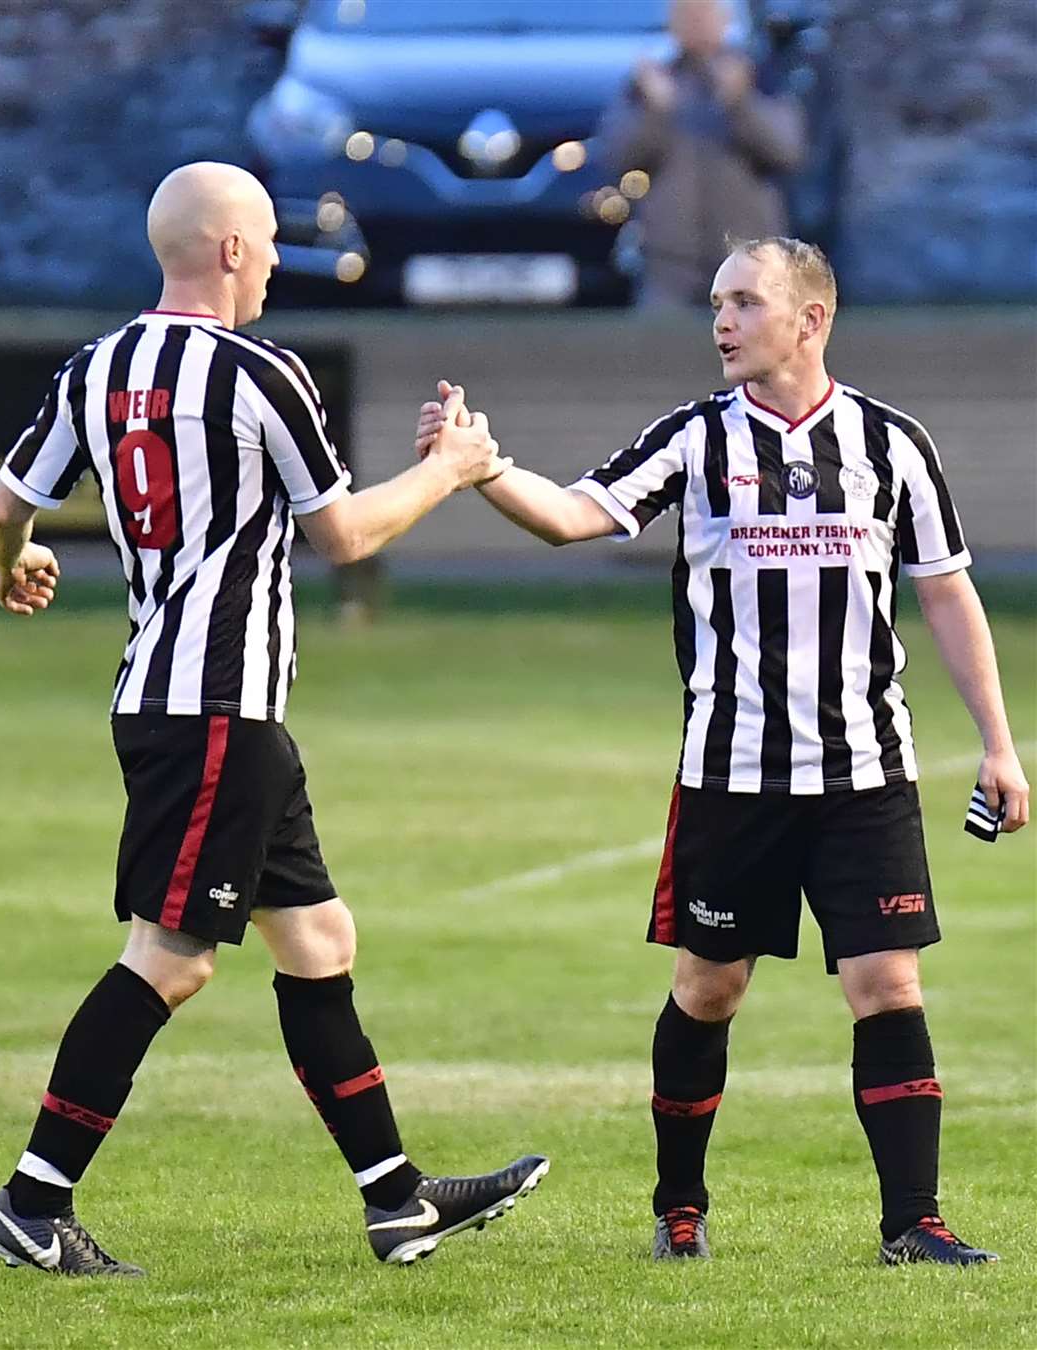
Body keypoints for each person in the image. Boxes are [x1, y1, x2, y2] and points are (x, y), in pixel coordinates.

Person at [0, 161, 547, 1277]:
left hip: (191, 705)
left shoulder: (97, 368)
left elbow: (5, 503)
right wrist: (451, 467)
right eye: (273, 239)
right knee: (172, 958)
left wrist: (16, 565)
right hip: (215, 712)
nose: (281, 257)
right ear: (232, 249)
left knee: (320, 940)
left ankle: (396, 1199)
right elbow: (342, 539)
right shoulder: (260, 372)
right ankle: (32, 1203)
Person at [415, 235, 1030, 1266]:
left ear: (811, 318)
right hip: (731, 777)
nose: (723, 321)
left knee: (888, 985)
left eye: (745, 301)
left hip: (864, 775)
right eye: (715, 303)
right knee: (711, 990)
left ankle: (912, 1223)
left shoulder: (893, 445)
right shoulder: (695, 439)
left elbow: (946, 590)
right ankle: (680, 1208)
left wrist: (1000, 748)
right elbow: (574, 517)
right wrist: (481, 470)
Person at [597, 0, 805, 306]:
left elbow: (787, 151)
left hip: (749, 264)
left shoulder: (760, 77)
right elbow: (617, 156)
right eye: (685, 15)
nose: (695, 23)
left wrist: (741, 104)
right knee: (659, 348)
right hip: (669, 266)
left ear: (725, 19)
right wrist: (657, 113)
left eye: (703, 14)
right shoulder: (650, 84)